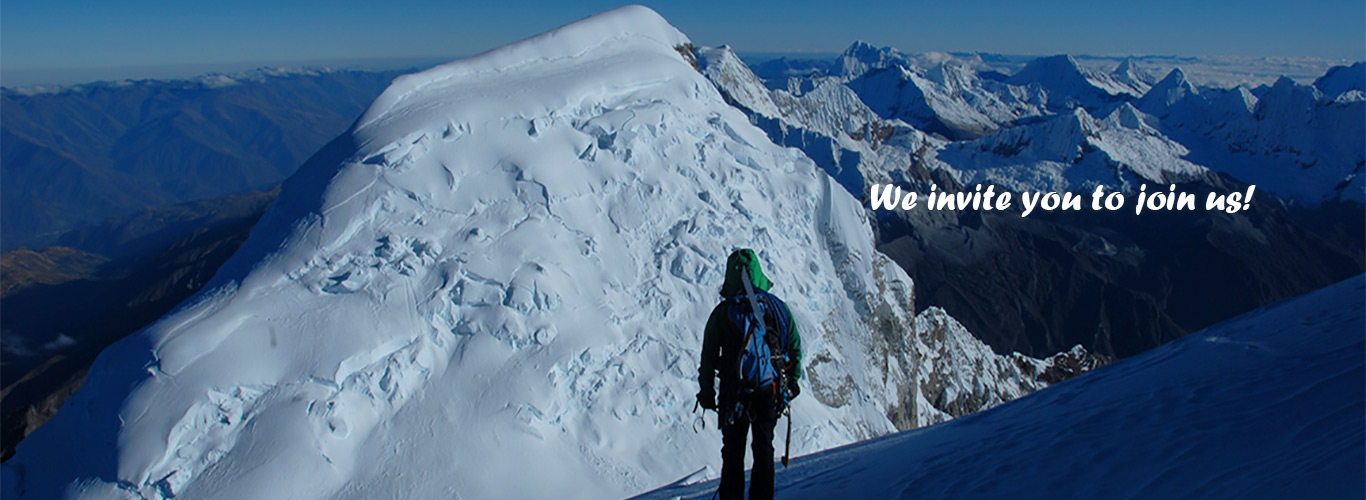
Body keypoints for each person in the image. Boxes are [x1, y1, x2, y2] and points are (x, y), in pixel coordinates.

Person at [697, 248, 802, 500]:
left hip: (734, 396)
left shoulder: (722, 314)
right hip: (768, 391)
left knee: (733, 452)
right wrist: (792, 382)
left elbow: (708, 358)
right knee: (763, 449)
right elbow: (794, 347)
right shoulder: (778, 308)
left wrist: (707, 392)